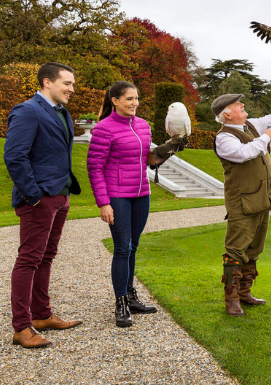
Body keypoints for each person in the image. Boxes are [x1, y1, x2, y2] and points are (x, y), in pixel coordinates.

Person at [86, 81, 184, 328]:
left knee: (134, 246)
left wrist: (168, 149)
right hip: (117, 196)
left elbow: (148, 160)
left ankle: (131, 296)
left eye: (137, 98)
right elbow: (95, 168)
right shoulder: (103, 129)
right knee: (122, 247)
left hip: (141, 193)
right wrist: (103, 203)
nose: (135, 103)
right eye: (129, 99)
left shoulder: (143, 126)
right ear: (115, 100)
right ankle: (120, 303)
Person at [5, 62, 82, 349]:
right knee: (29, 259)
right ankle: (21, 327)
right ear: (47, 82)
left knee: (46, 257)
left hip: (61, 195)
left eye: (72, 84)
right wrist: (34, 195)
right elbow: (15, 157)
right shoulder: (28, 110)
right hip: (39, 199)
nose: (72, 89)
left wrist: (62, 195)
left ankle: (41, 315)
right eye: (67, 83)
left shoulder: (62, 113)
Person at [211, 85, 271, 316]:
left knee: (254, 249)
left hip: (263, 199)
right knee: (235, 251)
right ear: (226, 114)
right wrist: (267, 136)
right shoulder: (224, 137)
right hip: (242, 203)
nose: (242, 106)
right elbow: (244, 153)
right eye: (237, 105)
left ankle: (245, 293)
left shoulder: (250, 125)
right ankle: (231, 299)